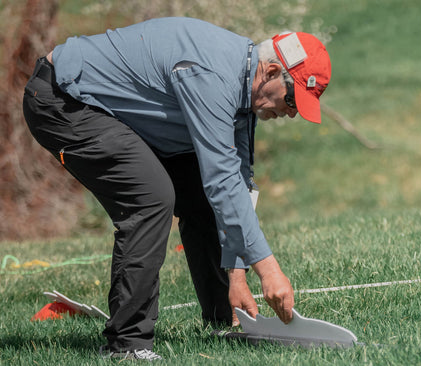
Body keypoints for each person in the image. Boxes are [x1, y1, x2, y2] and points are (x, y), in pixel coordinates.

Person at [22, 17, 331, 361]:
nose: (291, 114)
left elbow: (236, 185)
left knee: (201, 197)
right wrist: (270, 272)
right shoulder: (212, 75)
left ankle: (224, 319)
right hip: (63, 100)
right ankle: (127, 344)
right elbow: (221, 178)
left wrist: (238, 277)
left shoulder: (243, 92)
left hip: (107, 111)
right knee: (152, 198)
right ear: (271, 72)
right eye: (292, 101)